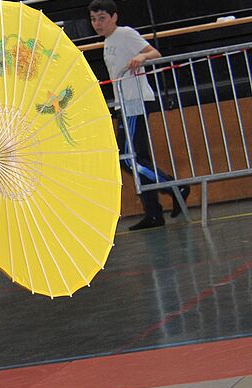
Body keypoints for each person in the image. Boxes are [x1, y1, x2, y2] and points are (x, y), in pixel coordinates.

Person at [89, 0, 187, 230]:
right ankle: (153, 213)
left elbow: (154, 52)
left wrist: (142, 57)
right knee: (138, 157)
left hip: (135, 102)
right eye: (93, 19)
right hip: (124, 104)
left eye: (102, 18)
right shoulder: (108, 42)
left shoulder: (125, 34)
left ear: (114, 17)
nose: (97, 23)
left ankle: (174, 187)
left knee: (128, 157)